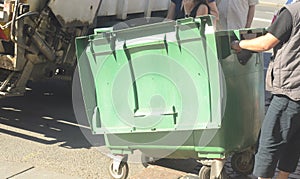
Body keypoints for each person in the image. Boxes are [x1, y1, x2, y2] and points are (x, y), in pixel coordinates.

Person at [232, 1, 300, 179]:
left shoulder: (293, 12)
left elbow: (266, 43)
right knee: (293, 143)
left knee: (269, 142)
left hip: (288, 90)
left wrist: (240, 45)